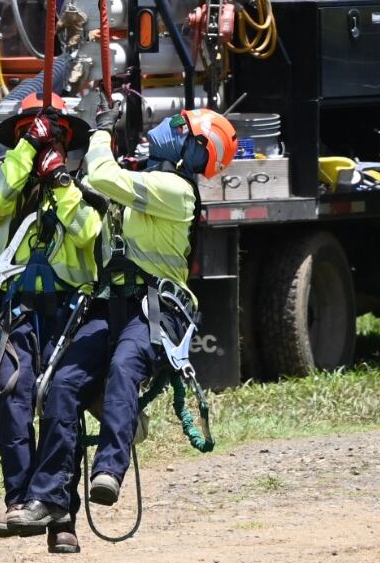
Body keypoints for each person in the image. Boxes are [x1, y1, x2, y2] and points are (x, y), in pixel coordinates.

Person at [14, 109, 234, 518]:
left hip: (153, 310)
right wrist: (61, 179)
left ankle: (109, 471)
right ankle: (49, 497)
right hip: (108, 305)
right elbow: (92, 212)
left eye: (180, 128)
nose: (167, 129)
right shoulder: (142, 188)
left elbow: (102, 176)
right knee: (61, 385)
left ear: (194, 150)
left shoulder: (176, 191)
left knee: (124, 365)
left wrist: (99, 134)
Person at [0, 93, 102, 553]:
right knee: (12, 395)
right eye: (31, 137)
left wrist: (60, 182)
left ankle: (60, 512)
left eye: (51, 139)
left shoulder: (79, 192)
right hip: (15, 312)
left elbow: (89, 232)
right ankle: (21, 500)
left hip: (69, 314)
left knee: (59, 402)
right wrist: (30, 148)